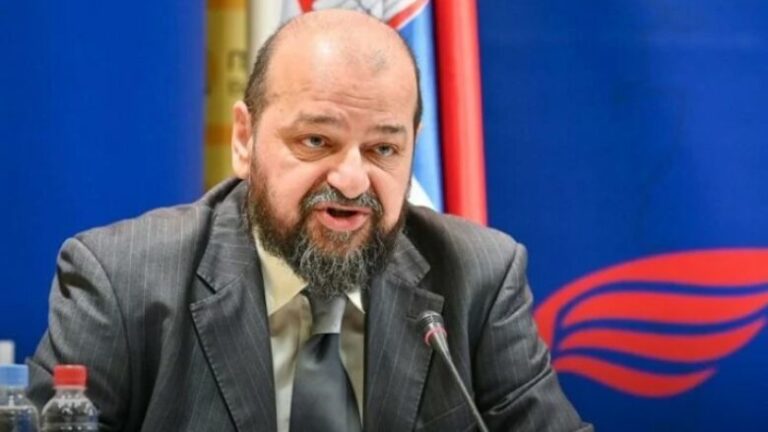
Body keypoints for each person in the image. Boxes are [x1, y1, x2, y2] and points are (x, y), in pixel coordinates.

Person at [28, 9, 592, 432]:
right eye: (316, 141)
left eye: (383, 149)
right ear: (245, 139)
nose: (351, 180)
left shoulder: (478, 277)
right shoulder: (122, 280)